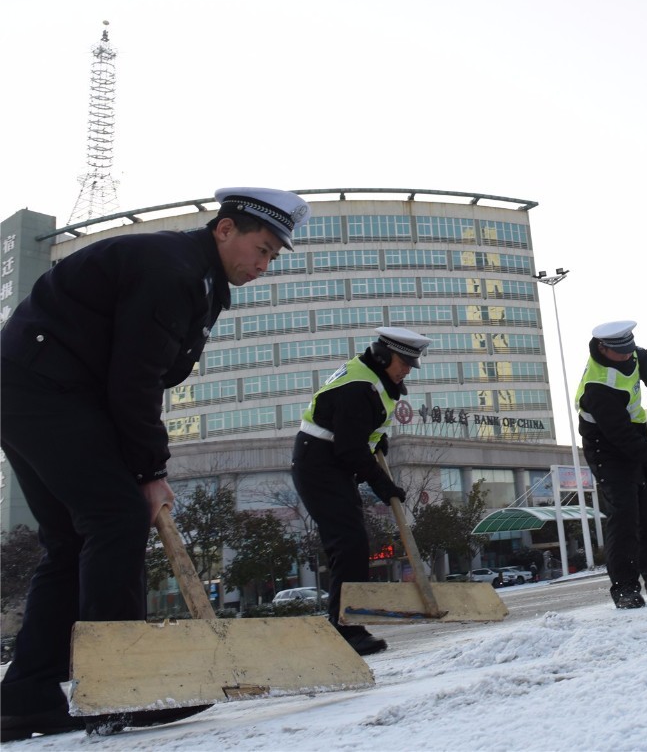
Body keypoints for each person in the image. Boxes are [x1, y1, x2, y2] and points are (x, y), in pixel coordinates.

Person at [0, 187, 309, 740]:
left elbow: (132, 375)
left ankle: (25, 697)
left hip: (35, 390)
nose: (263, 265)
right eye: (260, 248)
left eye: (271, 256)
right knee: (116, 517)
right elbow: (135, 381)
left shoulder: (197, 277)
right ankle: (123, 685)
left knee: (73, 539)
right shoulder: (174, 273)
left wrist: (138, 464)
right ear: (224, 229)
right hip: (46, 388)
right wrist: (148, 472)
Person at [290, 326, 428, 656]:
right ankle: (345, 629)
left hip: (331, 464)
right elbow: (350, 450)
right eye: (404, 362)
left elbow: (363, 430)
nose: (407, 369)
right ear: (383, 356)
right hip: (319, 464)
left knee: (353, 542)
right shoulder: (359, 387)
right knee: (348, 542)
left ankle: (347, 623)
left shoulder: (374, 381)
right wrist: (385, 487)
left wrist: (378, 438)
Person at [575, 320, 647, 608]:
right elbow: (622, 438)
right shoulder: (598, 388)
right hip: (607, 449)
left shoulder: (627, 352)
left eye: (628, 349)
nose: (627, 355)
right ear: (603, 348)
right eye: (621, 352)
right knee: (625, 518)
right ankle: (625, 589)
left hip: (633, 440)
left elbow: (644, 358)